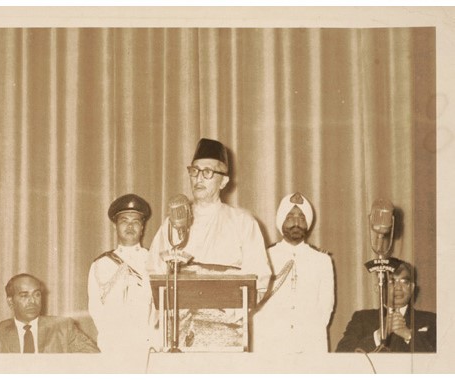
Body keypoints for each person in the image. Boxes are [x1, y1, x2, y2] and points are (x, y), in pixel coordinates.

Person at [148, 137, 272, 349]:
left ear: (223, 181)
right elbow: (152, 272)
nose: (199, 178)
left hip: (225, 331)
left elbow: (259, 278)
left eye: (208, 172)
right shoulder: (173, 222)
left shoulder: (242, 223)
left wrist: (233, 310)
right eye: (194, 171)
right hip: (178, 332)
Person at [252, 192, 335, 353]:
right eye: (290, 217)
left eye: (302, 218)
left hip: (309, 345)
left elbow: (325, 308)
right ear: (281, 220)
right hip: (270, 345)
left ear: (308, 224)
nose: (296, 223)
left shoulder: (322, 261)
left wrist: (306, 335)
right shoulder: (265, 256)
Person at [88, 193, 157, 353]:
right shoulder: (101, 264)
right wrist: (111, 338)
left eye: (135, 222)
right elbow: (95, 308)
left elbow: (159, 308)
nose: (130, 226)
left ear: (142, 227)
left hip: (147, 344)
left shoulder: (154, 261)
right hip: (112, 344)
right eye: (124, 221)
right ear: (115, 226)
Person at [0, 273, 99, 353]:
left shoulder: (63, 327)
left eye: (37, 294)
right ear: (10, 302)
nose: (32, 301)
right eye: (24, 295)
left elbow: (93, 359)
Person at [335, 260, 436, 352]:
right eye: (391, 281)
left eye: (404, 282)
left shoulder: (430, 320)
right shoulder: (362, 319)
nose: (398, 287)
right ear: (379, 288)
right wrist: (379, 335)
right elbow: (342, 354)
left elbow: (444, 361)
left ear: (412, 288)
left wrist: (409, 335)